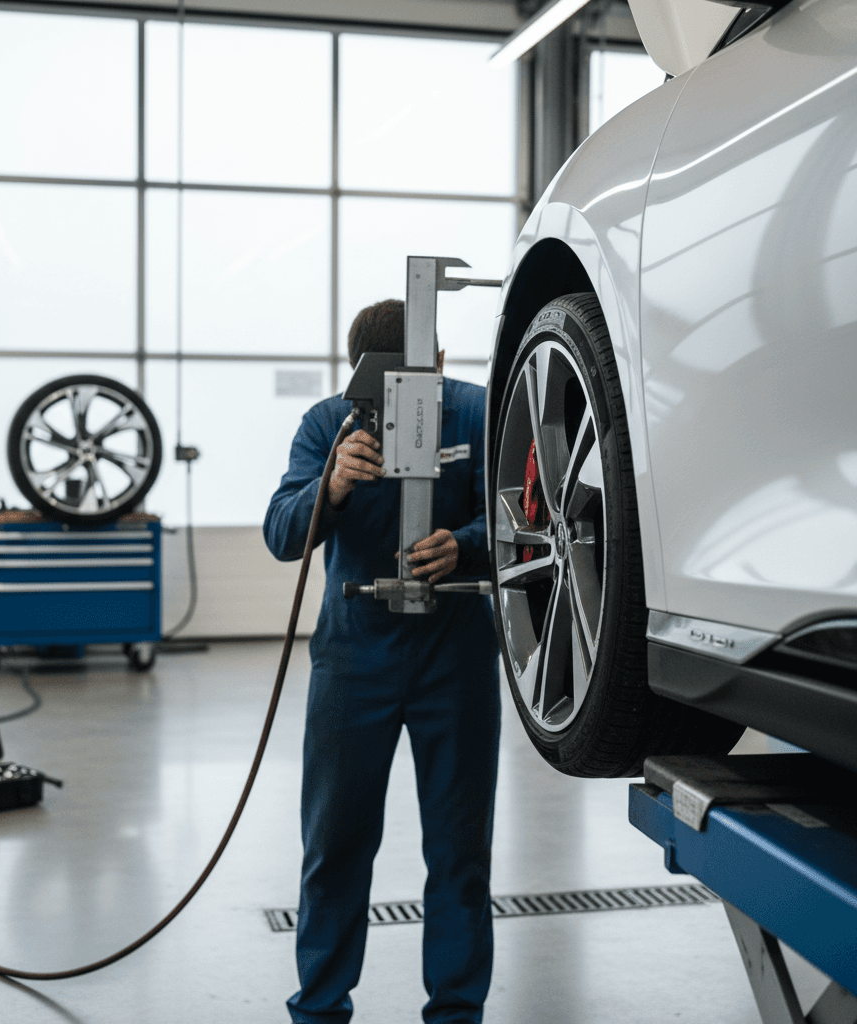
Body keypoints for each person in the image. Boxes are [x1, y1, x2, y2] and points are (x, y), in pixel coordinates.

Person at [263, 298, 501, 1024]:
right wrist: (330, 486)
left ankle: (457, 1012)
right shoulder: (328, 425)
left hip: (453, 656)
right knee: (335, 845)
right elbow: (280, 530)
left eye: (421, 380)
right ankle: (321, 1008)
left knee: (459, 853)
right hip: (353, 659)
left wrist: (467, 542)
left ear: (439, 364)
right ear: (361, 377)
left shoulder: (476, 412)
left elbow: (528, 515)